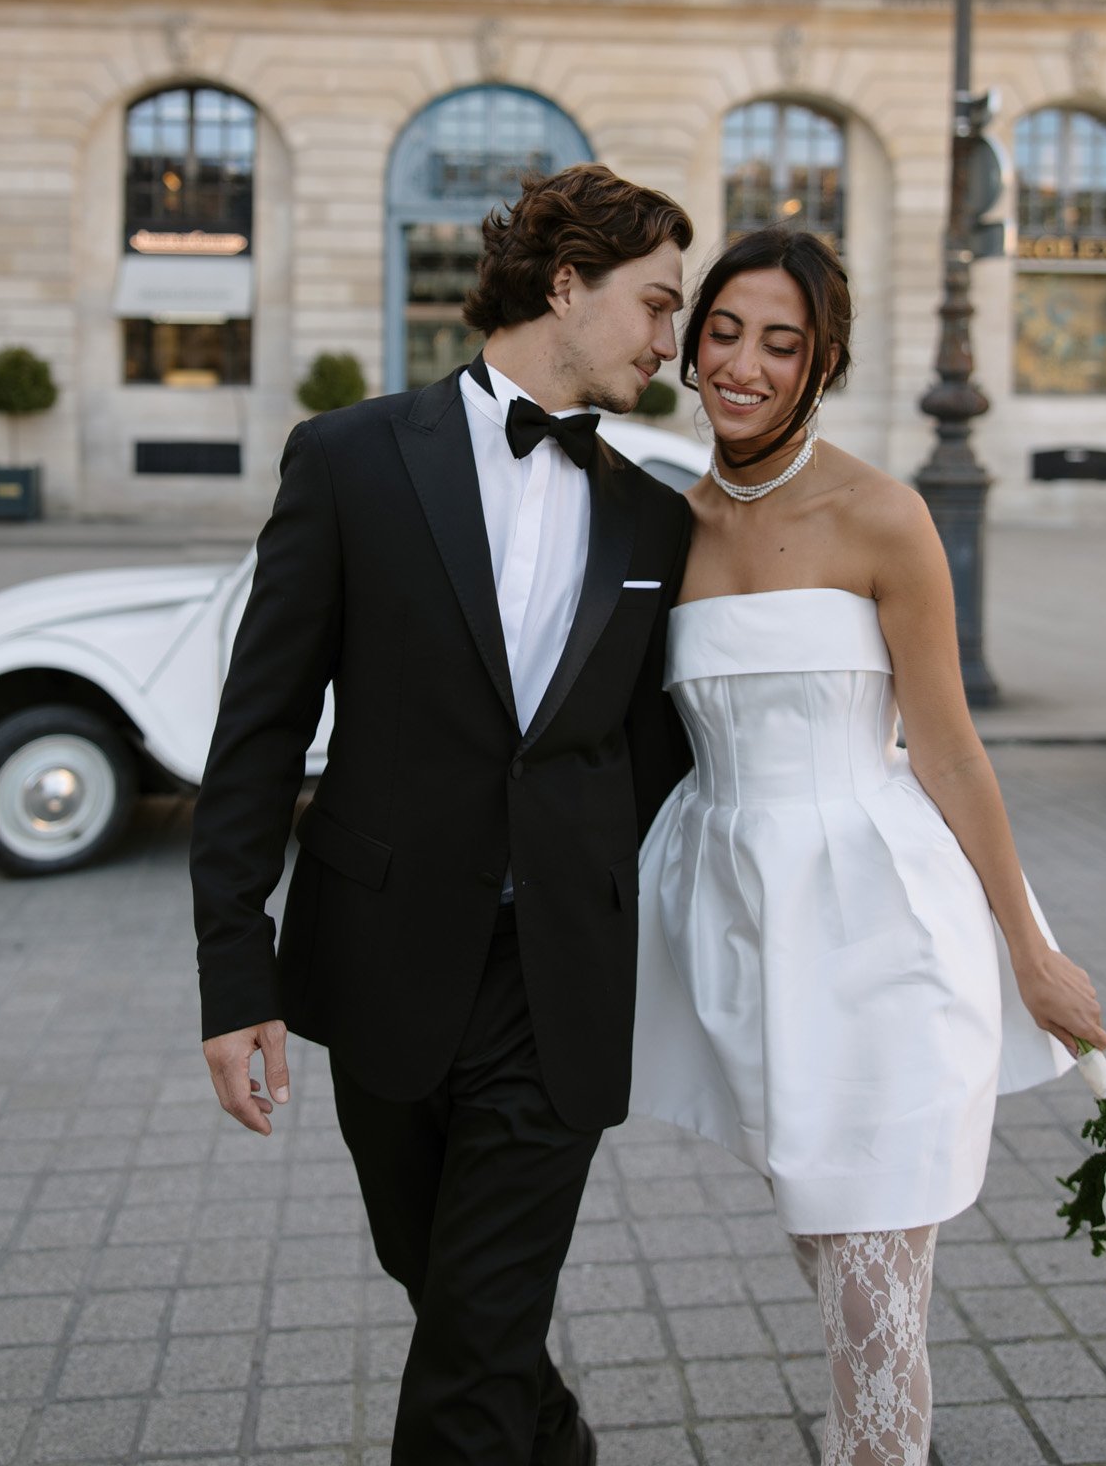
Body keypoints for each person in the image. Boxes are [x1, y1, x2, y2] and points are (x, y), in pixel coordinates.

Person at [189, 163, 695, 1466]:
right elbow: (257, 730)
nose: (668, 342)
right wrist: (232, 971)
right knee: (459, 1306)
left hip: (555, 993)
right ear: (566, 286)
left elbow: (650, 753)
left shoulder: (652, 514)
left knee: (471, 1345)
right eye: (654, 304)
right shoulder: (353, 459)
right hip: (386, 972)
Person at [630, 226, 1106, 1466]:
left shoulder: (882, 516)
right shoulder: (660, 526)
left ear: (821, 362)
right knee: (830, 1254)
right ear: (690, 344)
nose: (743, 364)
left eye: (779, 343)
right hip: (743, 940)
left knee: (872, 1302)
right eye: (723, 331)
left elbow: (948, 751)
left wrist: (1031, 951)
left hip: (883, 927)